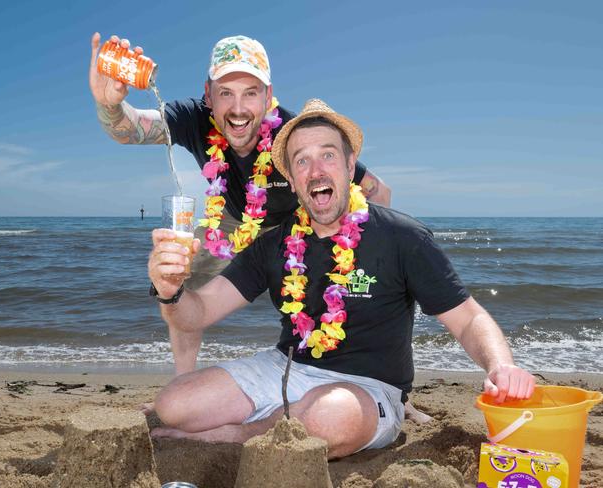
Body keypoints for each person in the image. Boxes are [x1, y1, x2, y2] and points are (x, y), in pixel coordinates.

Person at [146, 99, 536, 459]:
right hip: (287, 368)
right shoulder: (274, 244)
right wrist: (170, 291)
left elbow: (468, 318)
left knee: (330, 419)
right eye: (301, 161)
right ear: (293, 180)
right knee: (174, 404)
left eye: (328, 155)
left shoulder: (403, 237)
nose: (316, 170)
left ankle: (236, 436)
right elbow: (195, 314)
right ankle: (275, 422)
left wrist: (500, 367)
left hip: (368, 390)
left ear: (351, 168)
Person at [89, 33, 391, 377]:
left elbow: (377, 191)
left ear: (268, 96)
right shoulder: (194, 119)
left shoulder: (294, 136)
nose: (237, 109)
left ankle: (382, 384)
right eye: (225, 93)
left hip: (299, 222)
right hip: (231, 219)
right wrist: (109, 104)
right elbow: (130, 130)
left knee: (348, 294)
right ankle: (183, 383)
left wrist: (370, 251)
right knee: (181, 279)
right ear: (208, 95)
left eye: (250, 93)